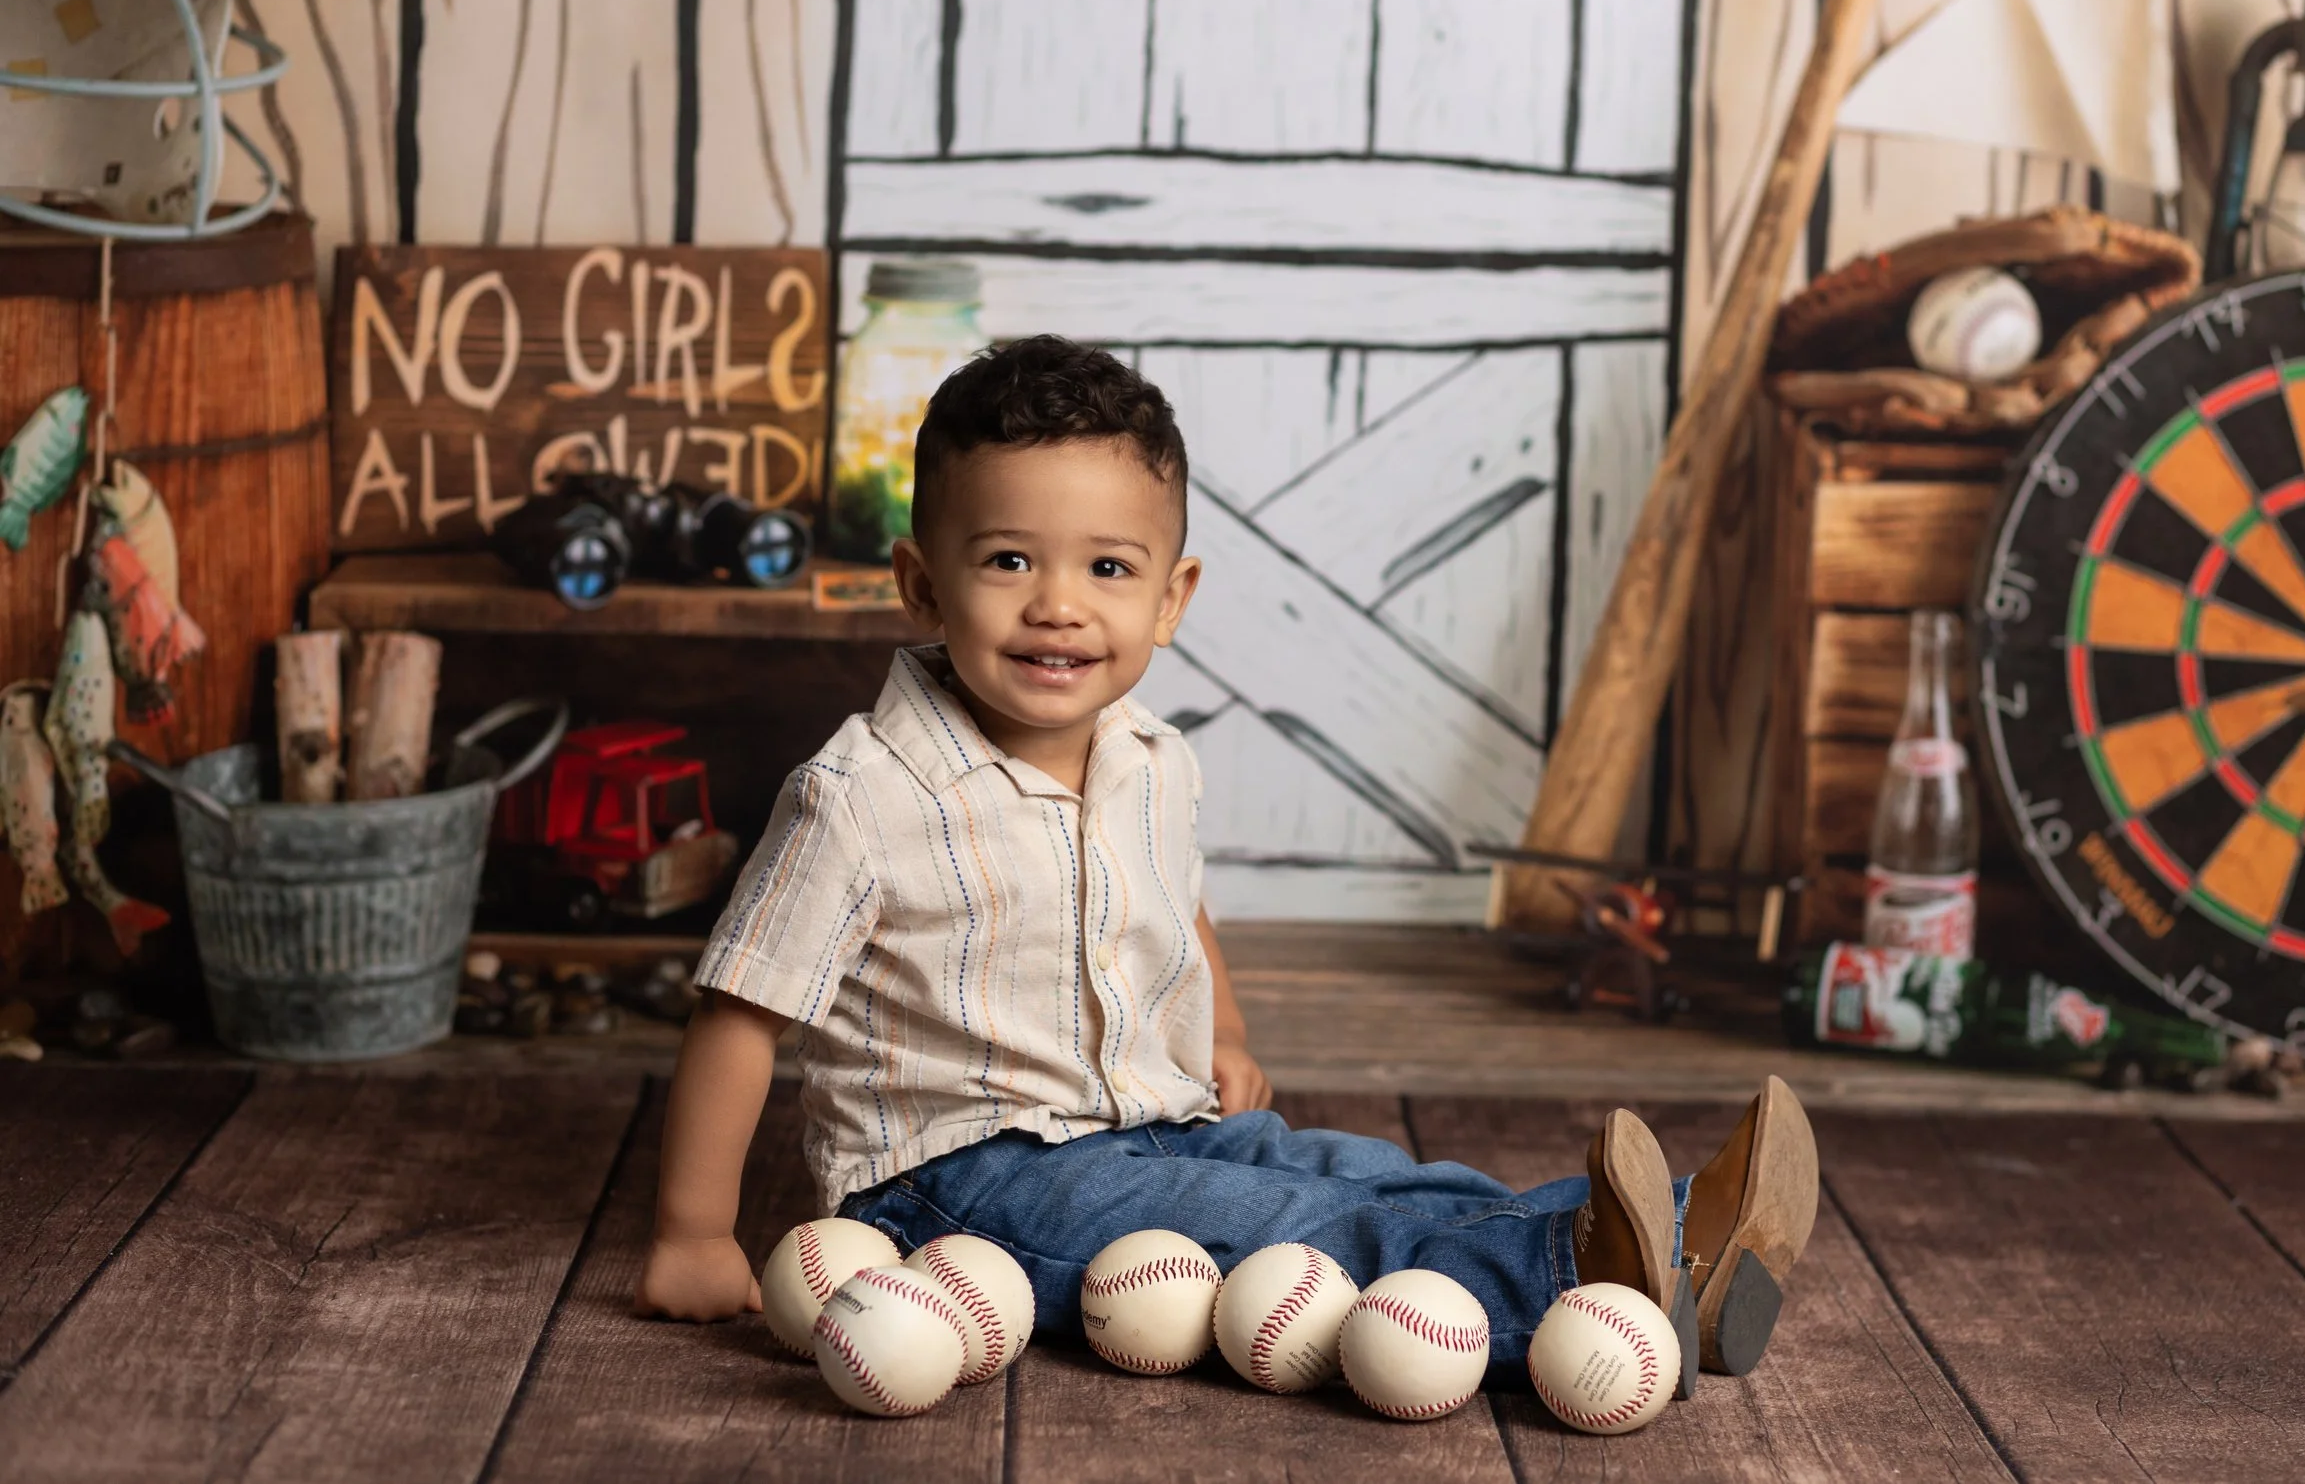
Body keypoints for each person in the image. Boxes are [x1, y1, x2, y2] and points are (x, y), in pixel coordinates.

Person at [633, 338, 1820, 1382]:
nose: (1058, 605)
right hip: (965, 1176)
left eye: (1107, 568)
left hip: (1157, 1115)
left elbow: (1175, 900)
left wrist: (1228, 1035)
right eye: (1007, 561)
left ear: (1171, 597)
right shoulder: (863, 793)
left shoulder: (1151, 758)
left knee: (1359, 1169)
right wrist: (694, 1230)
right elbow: (741, 1008)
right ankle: (1571, 1272)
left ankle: (1675, 1239)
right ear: (919, 583)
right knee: (1291, 1226)